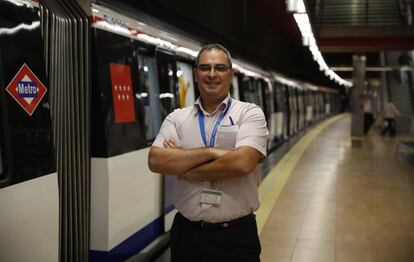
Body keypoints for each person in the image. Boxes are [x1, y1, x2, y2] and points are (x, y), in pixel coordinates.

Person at [148, 43, 268, 262]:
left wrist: (188, 168)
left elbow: (242, 164)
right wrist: (213, 152)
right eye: (205, 68)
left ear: (231, 74)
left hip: (236, 238)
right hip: (187, 235)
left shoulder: (249, 113)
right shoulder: (177, 117)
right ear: (195, 74)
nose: (212, 74)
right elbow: (156, 161)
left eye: (220, 68)